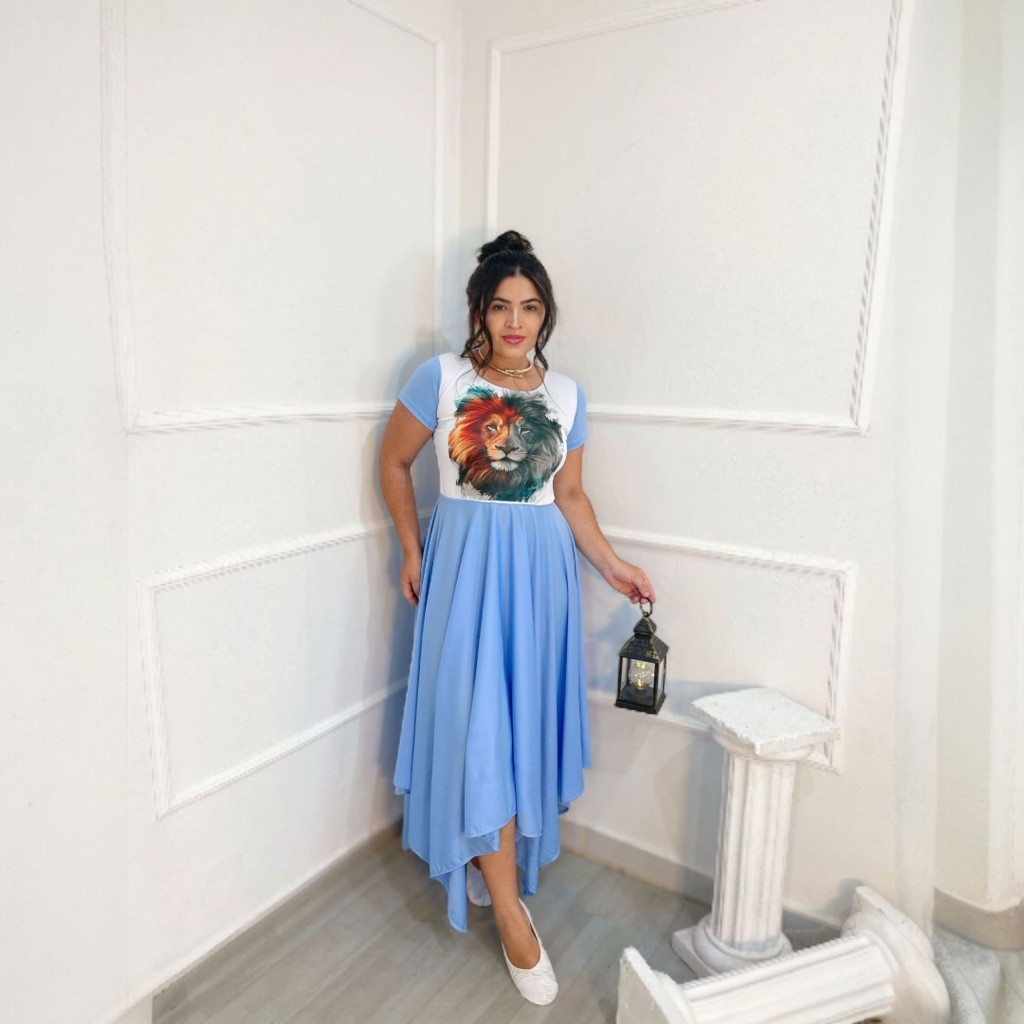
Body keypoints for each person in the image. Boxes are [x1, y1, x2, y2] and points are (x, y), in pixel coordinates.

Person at [378, 230, 655, 1005]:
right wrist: (411, 549)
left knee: (515, 731)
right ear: (478, 309)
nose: (514, 322)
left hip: (540, 583)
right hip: (465, 577)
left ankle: (489, 865)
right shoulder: (439, 378)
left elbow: (569, 496)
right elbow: (393, 462)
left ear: (545, 315)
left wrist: (612, 565)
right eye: (500, 306)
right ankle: (508, 911)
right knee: (480, 732)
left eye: (529, 308)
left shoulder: (566, 396)